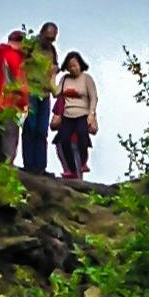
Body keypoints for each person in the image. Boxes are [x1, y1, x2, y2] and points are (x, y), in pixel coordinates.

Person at [0, 30, 30, 163]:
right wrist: (25, 100)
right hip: (9, 103)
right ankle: (6, 168)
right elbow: (20, 83)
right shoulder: (14, 57)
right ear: (20, 43)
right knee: (9, 138)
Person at [51, 51, 99, 180]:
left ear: (80, 64)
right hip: (68, 114)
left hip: (82, 113)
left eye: (75, 65)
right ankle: (71, 170)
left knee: (82, 135)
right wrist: (52, 76)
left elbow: (93, 97)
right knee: (64, 139)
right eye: (70, 66)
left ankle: (83, 163)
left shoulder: (86, 78)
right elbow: (56, 93)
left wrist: (92, 114)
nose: (73, 68)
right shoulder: (65, 79)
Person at [20, 21, 59, 174]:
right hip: (30, 91)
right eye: (48, 38)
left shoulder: (52, 50)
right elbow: (19, 65)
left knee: (42, 130)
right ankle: (29, 164)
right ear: (42, 33)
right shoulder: (31, 46)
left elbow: (54, 69)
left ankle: (40, 167)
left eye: (52, 39)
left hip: (45, 93)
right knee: (30, 126)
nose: (49, 41)